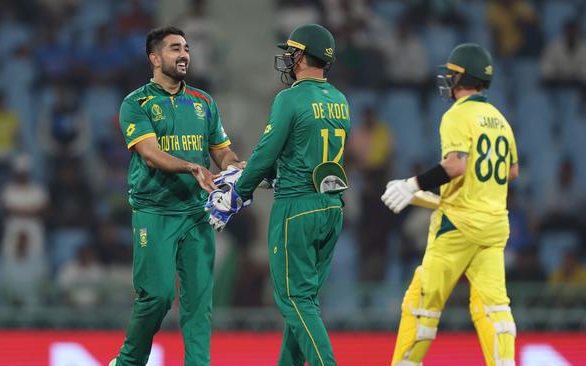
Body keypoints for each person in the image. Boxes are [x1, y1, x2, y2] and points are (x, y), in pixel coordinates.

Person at [207, 24, 350, 366]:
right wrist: (267, 175)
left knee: (294, 300)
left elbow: (267, 153)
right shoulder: (340, 100)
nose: (287, 57)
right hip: (332, 207)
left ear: (302, 55)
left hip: (297, 208)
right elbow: (302, 154)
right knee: (305, 303)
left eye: (292, 51)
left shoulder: (290, 98)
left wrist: (236, 193)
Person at [110, 26, 244, 366]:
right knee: (157, 296)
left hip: (197, 214)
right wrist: (192, 168)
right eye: (174, 49)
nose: (184, 54)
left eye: (185, 48)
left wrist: (235, 168)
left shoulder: (204, 102)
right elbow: (150, 153)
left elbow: (222, 152)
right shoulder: (136, 103)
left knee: (199, 303)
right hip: (155, 212)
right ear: (155, 58)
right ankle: (127, 362)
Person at [381, 43, 519, 366]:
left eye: (452, 73)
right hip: (494, 226)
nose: (448, 79)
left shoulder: (457, 114)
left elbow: (456, 165)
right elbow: (511, 172)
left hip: (458, 225)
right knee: (494, 308)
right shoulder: (500, 119)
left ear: (462, 77)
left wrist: (412, 185)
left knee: (422, 301)